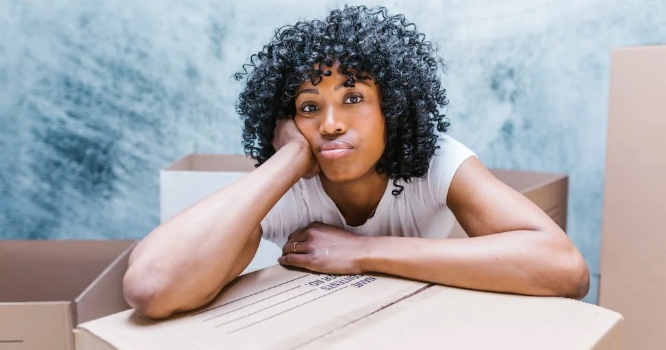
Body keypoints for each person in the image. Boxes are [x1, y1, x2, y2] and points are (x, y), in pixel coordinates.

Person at [123, 5, 589, 319]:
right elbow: (151, 287)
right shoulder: (286, 181)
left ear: (393, 106)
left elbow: (565, 269)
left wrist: (360, 251)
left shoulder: (436, 161)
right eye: (308, 107)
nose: (329, 124)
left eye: (353, 98)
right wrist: (286, 161)